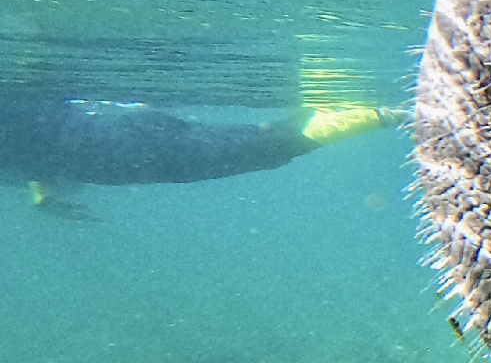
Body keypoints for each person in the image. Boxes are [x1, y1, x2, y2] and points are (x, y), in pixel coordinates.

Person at [0, 95, 402, 216]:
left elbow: (34, 137)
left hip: (130, 150)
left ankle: (386, 114)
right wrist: (44, 194)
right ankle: (369, 114)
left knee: (265, 148)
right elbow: (36, 146)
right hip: (126, 150)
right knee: (260, 147)